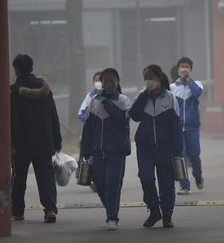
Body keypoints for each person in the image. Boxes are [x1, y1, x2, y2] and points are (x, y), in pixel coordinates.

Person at [10, 54, 62, 223]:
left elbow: (11, 119)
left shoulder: (13, 92)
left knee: (19, 177)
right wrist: (57, 141)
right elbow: (53, 116)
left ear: (16, 70)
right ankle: (50, 209)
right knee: (46, 176)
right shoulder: (45, 90)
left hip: (20, 143)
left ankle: (17, 211)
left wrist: (10, 143)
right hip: (44, 140)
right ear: (32, 68)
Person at [129, 64, 181, 228]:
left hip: (165, 147)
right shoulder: (141, 96)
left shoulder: (170, 98)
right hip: (145, 147)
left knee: (166, 182)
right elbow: (135, 116)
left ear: (159, 78)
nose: (148, 81)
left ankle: (167, 215)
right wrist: (145, 94)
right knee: (146, 177)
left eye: (151, 78)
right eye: (146, 79)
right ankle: (154, 210)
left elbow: (176, 127)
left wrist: (177, 152)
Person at [80, 68, 131, 230]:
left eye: (111, 80)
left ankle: (112, 217)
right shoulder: (93, 102)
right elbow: (87, 130)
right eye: (105, 80)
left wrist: (106, 102)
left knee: (112, 184)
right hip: (97, 152)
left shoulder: (123, 101)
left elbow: (122, 123)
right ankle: (111, 209)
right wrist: (84, 154)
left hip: (116, 152)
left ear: (117, 82)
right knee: (100, 185)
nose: (108, 83)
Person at [170, 57, 204, 195]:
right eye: (182, 67)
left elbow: (196, 94)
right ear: (178, 69)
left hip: (192, 127)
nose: (184, 69)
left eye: (187, 67)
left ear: (190, 69)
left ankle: (198, 175)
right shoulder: (172, 87)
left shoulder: (197, 84)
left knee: (194, 155)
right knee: (180, 156)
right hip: (177, 129)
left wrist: (189, 80)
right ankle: (185, 185)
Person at [77, 71, 102, 192]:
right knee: (91, 159)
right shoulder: (90, 96)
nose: (99, 83)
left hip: (104, 134)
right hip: (91, 133)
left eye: (100, 80)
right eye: (96, 80)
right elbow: (81, 113)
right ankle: (94, 180)